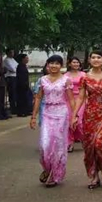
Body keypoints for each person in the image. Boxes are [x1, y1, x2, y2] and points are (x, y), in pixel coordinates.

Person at [73, 50, 102, 189]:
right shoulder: (85, 77)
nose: (96, 59)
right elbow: (81, 97)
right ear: (89, 60)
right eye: (93, 57)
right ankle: (93, 174)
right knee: (89, 146)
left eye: (99, 57)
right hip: (90, 114)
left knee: (98, 144)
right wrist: (74, 115)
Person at [30, 55, 75, 188]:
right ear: (47, 65)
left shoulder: (66, 80)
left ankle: (55, 174)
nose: (54, 66)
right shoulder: (42, 80)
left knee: (58, 145)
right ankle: (47, 168)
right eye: (51, 63)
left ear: (61, 65)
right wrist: (33, 116)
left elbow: (71, 99)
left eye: (57, 63)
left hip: (61, 114)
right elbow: (38, 98)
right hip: (47, 113)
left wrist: (75, 116)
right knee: (45, 145)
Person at [65, 56, 86, 152]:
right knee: (69, 121)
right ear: (69, 64)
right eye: (74, 62)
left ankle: (83, 139)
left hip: (81, 99)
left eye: (77, 62)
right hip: (68, 99)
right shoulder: (65, 75)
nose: (76, 64)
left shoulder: (84, 75)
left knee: (79, 121)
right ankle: (69, 143)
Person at [3, 49, 18, 115]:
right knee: (12, 93)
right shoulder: (6, 60)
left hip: (15, 76)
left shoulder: (13, 59)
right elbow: (12, 69)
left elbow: (17, 66)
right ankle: (13, 108)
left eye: (13, 52)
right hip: (10, 77)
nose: (12, 54)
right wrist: (15, 69)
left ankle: (15, 107)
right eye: (11, 52)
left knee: (15, 93)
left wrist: (16, 68)